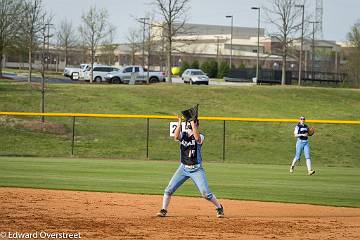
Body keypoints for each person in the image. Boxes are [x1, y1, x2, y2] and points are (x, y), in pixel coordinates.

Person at [156, 115, 224, 218]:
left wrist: (193, 123)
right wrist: (179, 122)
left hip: (196, 169)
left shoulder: (200, 136)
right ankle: (163, 209)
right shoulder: (184, 135)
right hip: (183, 168)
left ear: (196, 124)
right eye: (189, 122)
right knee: (168, 190)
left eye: (192, 122)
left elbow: (197, 138)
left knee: (206, 194)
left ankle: (219, 207)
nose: (189, 123)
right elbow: (175, 137)